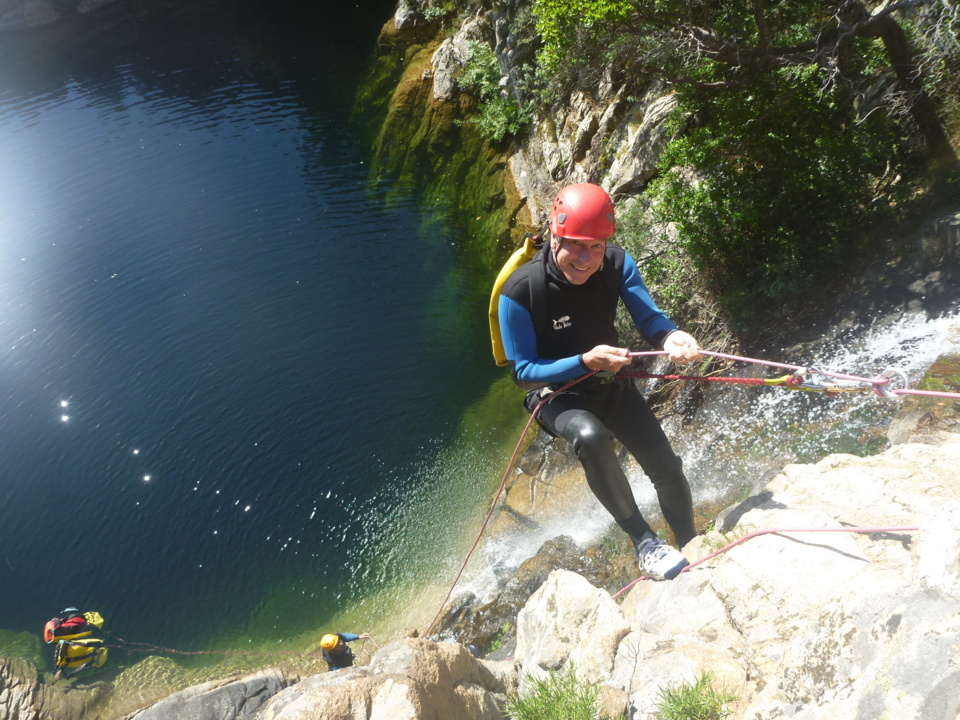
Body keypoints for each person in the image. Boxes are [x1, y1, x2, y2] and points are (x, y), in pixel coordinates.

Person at [497, 182, 703, 580]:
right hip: (556, 395)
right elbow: (523, 374)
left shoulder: (616, 263)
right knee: (590, 436)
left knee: (667, 467)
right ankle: (645, 542)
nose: (586, 258)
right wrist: (583, 361)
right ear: (554, 235)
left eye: (595, 246)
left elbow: (648, 316)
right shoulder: (520, 292)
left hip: (610, 382)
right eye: (575, 245)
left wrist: (670, 336)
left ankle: (691, 543)